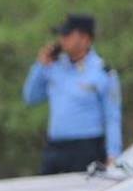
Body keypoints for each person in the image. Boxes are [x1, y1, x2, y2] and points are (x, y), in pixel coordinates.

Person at [22, 13, 122, 175]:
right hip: (55, 148)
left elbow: (112, 117)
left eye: (67, 35)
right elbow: (30, 97)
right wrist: (39, 66)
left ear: (84, 38)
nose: (61, 39)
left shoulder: (103, 73)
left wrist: (113, 155)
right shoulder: (54, 67)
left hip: (86, 149)